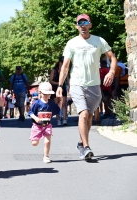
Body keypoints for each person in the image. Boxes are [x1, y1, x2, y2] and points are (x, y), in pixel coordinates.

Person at [56, 14, 117, 160]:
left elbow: (112, 57)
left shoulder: (99, 41)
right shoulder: (71, 43)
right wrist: (60, 86)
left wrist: (112, 72)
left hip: (94, 85)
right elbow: (65, 66)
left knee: (89, 116)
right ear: (77, 26)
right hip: (77, 84)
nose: (82, 25)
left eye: (85, 22)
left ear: (90, 25)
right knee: (83, 114)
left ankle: (81, 143)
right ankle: (87, 147)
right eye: (79, 23)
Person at [28, 82, 60, 163]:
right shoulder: (37, 103)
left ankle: (46, 156)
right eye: (45, 94)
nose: (47, 96)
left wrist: (61, 101)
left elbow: (57, 109)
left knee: (47, 141)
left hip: (47, 125)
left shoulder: (51, 103)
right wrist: (35, 118)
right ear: (40, 93)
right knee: (34, 143)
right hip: (37, 126)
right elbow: (30, 112)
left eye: (48, 94)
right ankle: (35, 137)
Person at [49, 57, 69, 125]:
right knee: (56, 104)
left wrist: (69, 86)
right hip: (55, 88)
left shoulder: (65, 70)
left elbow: (67, 79)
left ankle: (64, 119)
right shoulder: (54, 71)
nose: (63, 63)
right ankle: (58, 119)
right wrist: (58, 83)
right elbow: (51, 80)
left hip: (63, 87)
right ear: (59, 62)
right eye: (62, 62)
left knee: (63, 104)